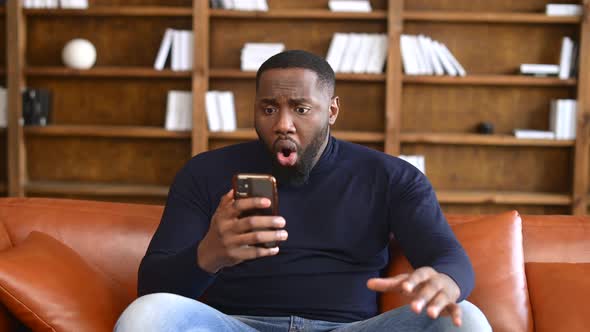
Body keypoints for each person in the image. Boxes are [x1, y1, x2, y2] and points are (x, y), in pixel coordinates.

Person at [115, 50, 491, 332]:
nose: (283, 125)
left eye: (300, 108)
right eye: (268, 109)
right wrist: (209, 254)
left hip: (349, 329)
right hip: (235, 326)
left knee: (466, 320)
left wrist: (444, 281)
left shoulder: (391, 177)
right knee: (145, 316)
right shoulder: (203, 172)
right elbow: (152, 287)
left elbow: (449, 256)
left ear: (331, 110)